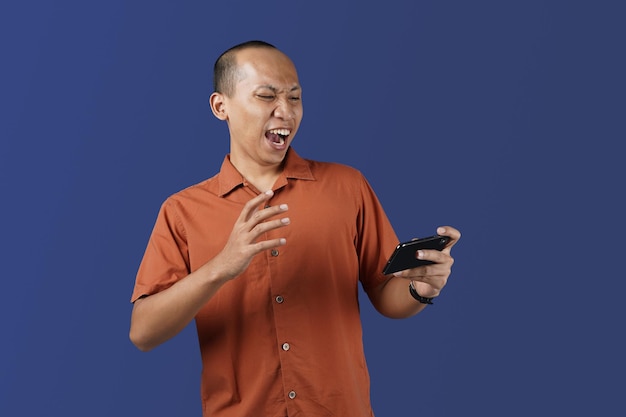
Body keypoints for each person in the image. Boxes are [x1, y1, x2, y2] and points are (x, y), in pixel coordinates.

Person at [129, 40, 461, 417]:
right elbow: (143, 332)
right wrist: (222, 266)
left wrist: (420, 287)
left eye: (294, 97)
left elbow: (386, 293)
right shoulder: (182, 211)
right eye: (266, 96)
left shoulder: (347, 187)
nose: (284, 112)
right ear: (221, 106)